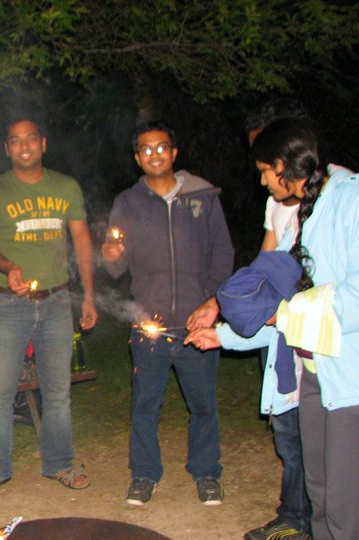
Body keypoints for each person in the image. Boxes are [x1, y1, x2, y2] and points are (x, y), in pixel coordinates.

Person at [189, 118, 359, 540]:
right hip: (316, 374)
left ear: (285, 165)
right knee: (319, 494)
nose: (263, 182)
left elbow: (346, 299)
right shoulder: (307, 212)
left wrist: (285, 315)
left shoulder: (351, 201)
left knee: (343, 504)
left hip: (350, 377)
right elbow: (278, 302)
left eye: (265, 171)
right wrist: (224, 335)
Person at [186, 100, 312, 540]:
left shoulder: (332, 199)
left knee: (310, 435)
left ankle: (307, 518)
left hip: (310, 331)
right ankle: (295, 515)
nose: (260, 176)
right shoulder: (278, 206)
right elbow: (262, 268)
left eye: (267, 163)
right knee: (286, 426)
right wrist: (218, 308)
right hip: (280, 330)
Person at [102, 121, 234, 506]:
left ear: (174, 153)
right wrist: (111, 255)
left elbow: (222, 252)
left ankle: (207, 472)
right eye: (146, 149)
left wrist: (211, 300)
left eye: (162, 147)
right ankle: (144, 474)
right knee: (145, 404)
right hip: (150, 324)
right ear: (137, 158)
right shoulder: (127, 202)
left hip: (197, 322)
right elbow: (115, 264)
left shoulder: (203, 195)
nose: (154, 154)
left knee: (204, 405)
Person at [0, 116, 97, 497]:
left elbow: (83, 241)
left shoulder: (66, 186)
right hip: (9, 304)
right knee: (0, 392)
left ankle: (59, 464)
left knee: (57, 391)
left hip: (57, 301)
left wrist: (89, 295)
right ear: (7, 149)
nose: (23, 146)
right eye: (15, 141)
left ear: (44, 143)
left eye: (30, 139)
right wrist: (7, 267)